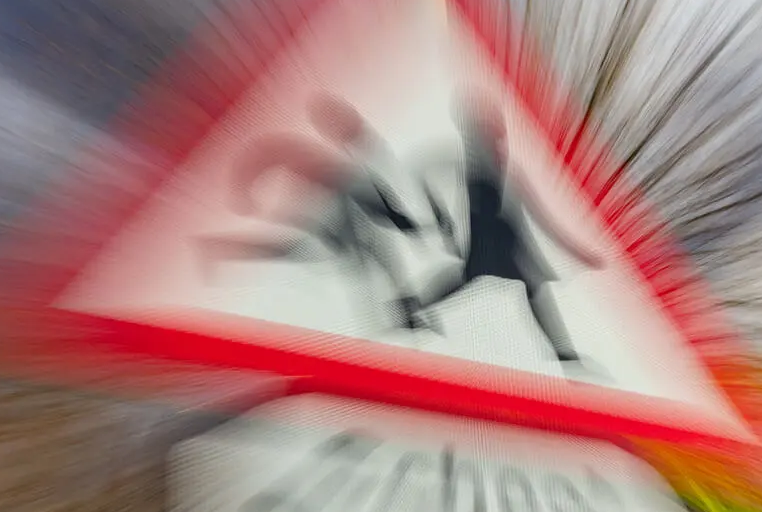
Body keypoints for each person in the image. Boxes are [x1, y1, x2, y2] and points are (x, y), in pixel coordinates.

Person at [405, 98, 606, 367]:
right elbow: (542, 219)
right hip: (500, 243)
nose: (498, 140)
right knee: (525, 284)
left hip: (505, 243)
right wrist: (439, 214)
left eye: (497, 134)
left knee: (485, 277)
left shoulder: (496, 169)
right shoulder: (477, 167)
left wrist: (579, 252)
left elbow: (542, 218)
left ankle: (414, 304)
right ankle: (564, 355)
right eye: (489, 133)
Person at [200, 94, 425, 330]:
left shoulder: (348, 165)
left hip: (325, 194)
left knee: (347, 253)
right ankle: (396, 313)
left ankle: (223, 249)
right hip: (323, 196)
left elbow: (375, 207)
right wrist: (241, 188)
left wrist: (401, 222)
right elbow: (267, 152)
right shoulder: (341, 169)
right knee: (352, 253)